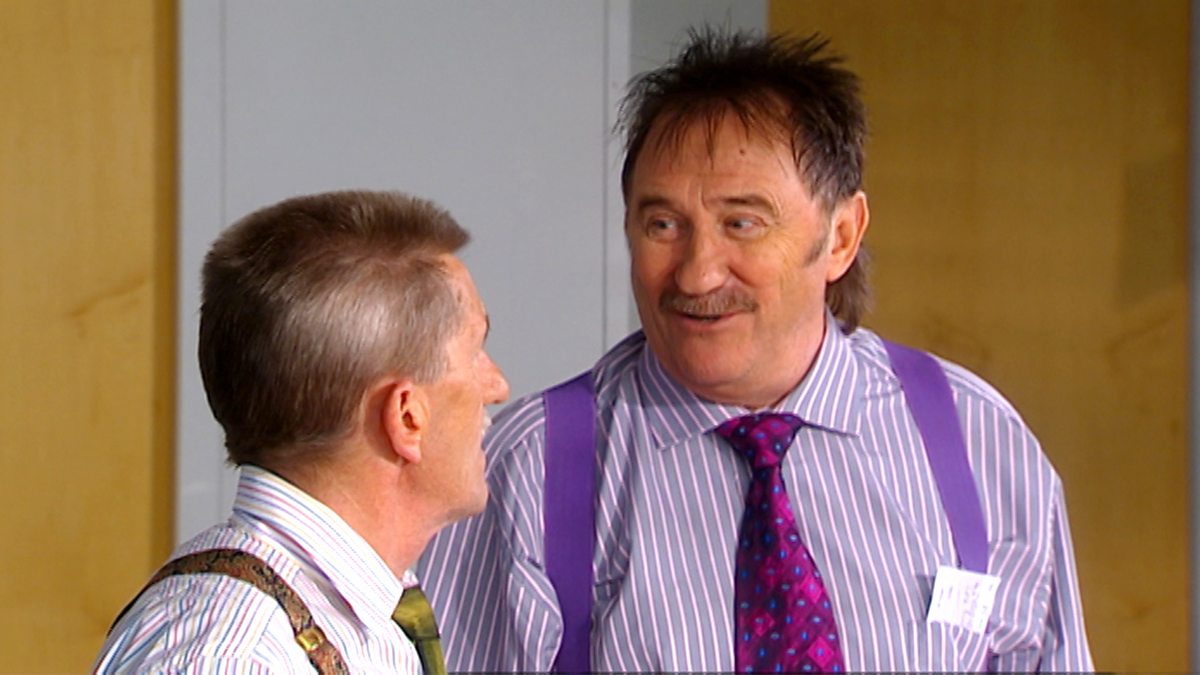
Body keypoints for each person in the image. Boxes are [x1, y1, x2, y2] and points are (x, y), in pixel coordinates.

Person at [419, 29, 1093, 672]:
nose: (697, 274)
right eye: (662, 224)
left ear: (841, 236)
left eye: (741, 222)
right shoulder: (524, 472)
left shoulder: (980, 442)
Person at [95, 190, 509, 673]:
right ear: (406, 417)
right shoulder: (236, 659)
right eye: (476, 350)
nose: (498, 386)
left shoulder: (365, 616)